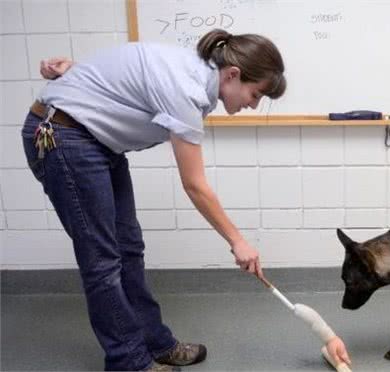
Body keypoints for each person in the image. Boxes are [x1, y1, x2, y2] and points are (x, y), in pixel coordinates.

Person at [25, 28, 350, 371]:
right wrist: (237, 241)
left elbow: (126, 76)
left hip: (96, 141)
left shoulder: (197, 76)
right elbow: (194, 185)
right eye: (255, 94)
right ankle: (128, 362)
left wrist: (78, 73)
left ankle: (154, 342)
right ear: (233, 74)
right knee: (103, 260)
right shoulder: (188, 88)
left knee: (129, 248)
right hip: (62, 138)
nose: (253, 104)